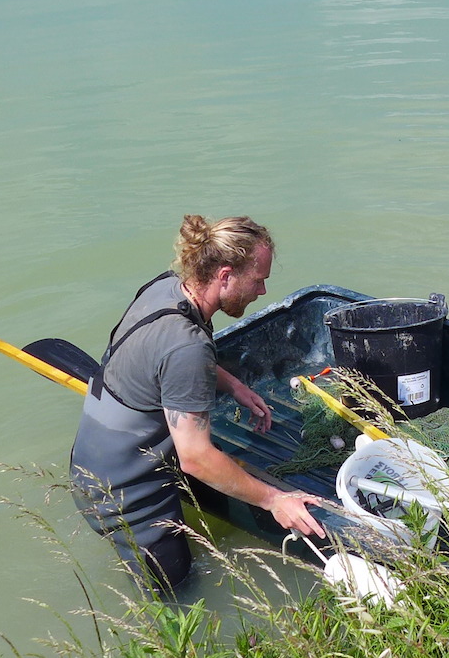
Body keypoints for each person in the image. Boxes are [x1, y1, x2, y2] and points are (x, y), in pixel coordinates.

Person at [69, 215, 327, 591]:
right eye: (258, 279)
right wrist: (275, 500)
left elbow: (163, 358)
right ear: (225, 276)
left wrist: (233, 384)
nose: (263, 290)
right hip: (128, 502)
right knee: (180, 599)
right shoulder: (188, 348)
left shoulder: (165, 289)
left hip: (90, 464)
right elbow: (195, 457)